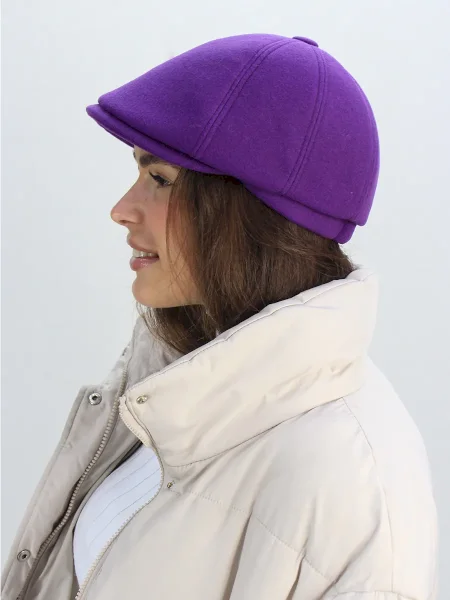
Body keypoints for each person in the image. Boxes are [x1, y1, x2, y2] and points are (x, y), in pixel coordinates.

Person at [2, 33, 438, 600]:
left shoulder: (351, 484)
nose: (121, 209)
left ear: (250, 214)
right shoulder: (172, 387)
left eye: (159, 179)